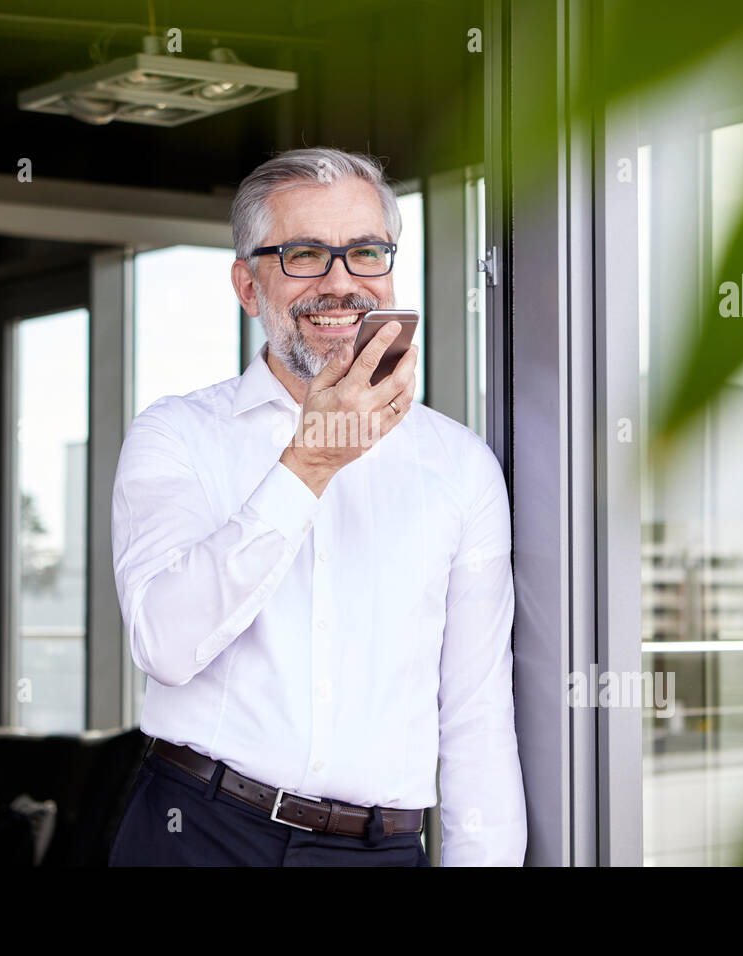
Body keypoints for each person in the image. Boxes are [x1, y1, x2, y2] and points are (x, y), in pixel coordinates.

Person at [108, 147, 525, 866]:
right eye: (304, 254)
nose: (341, 283)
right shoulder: (176, 436)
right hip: (198, 833)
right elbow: (165, 647)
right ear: (247, 285)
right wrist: (309, 464)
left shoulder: (460, 468)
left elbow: (477, 719)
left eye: (366, 252)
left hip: (381, 850)